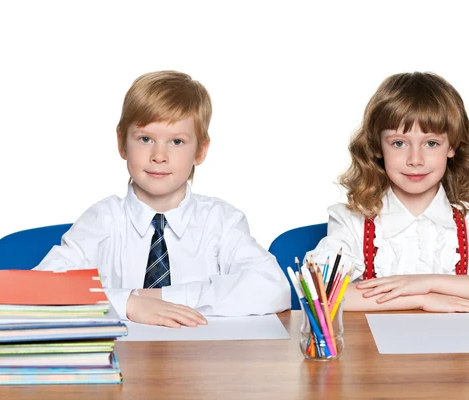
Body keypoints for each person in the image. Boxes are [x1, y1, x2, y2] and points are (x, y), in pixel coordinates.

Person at [35, 70, 290, 326]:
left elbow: (273, 288)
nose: (159, 155)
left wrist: (164, 297)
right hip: (124, 359)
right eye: (145, 139)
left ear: (200, 151)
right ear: (122, 143)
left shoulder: (221, 221)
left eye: (177, 142)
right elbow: (40, 287)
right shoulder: (103, 219)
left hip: (201, 360)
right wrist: (129, 303)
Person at [306, 72, 469, 312]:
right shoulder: (352, 222)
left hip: (456, 348)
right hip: (373, 349)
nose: (415, 160)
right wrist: (421, 299)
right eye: (399, 143)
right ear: (377, 147)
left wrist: (424, 283)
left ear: (452, 147)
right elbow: (321, 293)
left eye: (431, 143)